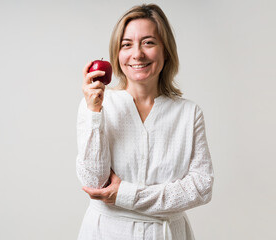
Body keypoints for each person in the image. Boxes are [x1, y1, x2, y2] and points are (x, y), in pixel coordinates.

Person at [76, 4, 214, 240]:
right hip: (106, 233)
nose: (137, 54)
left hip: (167, 234)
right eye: (126, 44)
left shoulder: (189, 114)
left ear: (166, 51)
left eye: (148, 42)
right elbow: (94, 182)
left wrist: (126, 194)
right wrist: (95, 112)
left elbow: (201, 188)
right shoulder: (95, 106)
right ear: (117, 54)